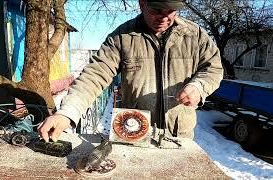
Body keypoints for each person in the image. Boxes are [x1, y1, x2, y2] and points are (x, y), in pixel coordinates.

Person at [38, 0, 223, 142]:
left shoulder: (195, 35)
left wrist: (199, 87)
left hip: (178, 137)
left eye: (171, 11)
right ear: (142, 4)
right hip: (132, 133)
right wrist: (67, 112)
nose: (165, 18)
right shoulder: (122, 37)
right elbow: (95, 74)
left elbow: (213, 69)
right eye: (157, 10)